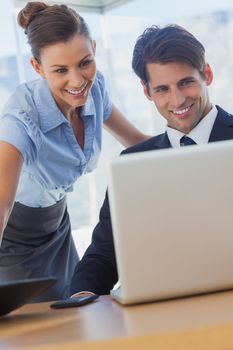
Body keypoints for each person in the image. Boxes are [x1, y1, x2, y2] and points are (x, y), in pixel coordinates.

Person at [0, 2, 149, 302]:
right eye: (60, 70)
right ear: (38, 68)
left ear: (94, 49)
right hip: (14, 240)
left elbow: (138, 143)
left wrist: (199, 150)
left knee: (75, 314)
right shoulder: (23, 115)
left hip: (57, 228)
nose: (78, 80)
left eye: (85, 62)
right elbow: (1, 204)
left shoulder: (96, 90)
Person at [70, 24, 233, 297]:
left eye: (186, 82)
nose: (177, 99)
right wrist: (80, 297)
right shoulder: (133, 164)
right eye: (162, 89)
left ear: (206, 74)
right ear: (146, 92)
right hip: (158, 307)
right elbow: (103, 254)